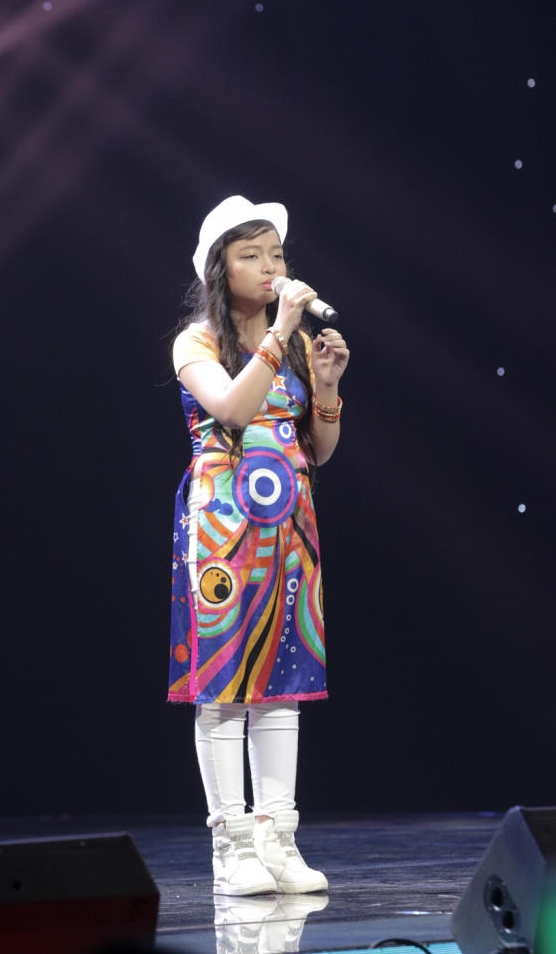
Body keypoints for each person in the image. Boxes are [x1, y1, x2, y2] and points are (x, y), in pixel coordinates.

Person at [167, 195, 349, 897]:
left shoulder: (295, 346)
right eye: (252, 255)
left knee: (283, 683)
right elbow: (235, 409)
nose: (272, 265)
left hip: (290, 526)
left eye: (277, 253)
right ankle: (232, 847)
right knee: (224, 684)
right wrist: (280, 333)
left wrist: (326, 388)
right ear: (221, 269)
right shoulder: (197, 343)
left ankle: (279, 840)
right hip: (222, 527)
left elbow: (319, 448)